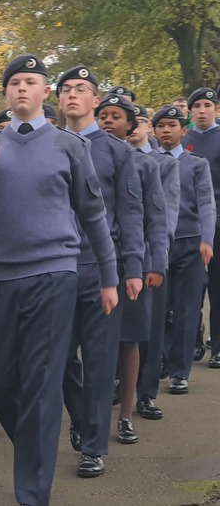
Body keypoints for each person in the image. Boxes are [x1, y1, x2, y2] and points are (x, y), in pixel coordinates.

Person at [0, 55, 118, 506]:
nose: (22, 89)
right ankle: (33, 445)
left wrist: (109, 275)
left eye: (31, 82)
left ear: (46, 93)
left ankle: (33, 492)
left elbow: (92, 214)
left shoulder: (70, 146)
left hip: (55, 273)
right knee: (1, 381)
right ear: (5, 95)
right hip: (0, 278)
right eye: (14, 83)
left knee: (44, 382)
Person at [56, 65, 144, 477]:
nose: (73, 94)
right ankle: (82, 417)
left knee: (99, 357)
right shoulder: (46, 145)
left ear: (95, 101)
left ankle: (93, 445)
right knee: (56, 359)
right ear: (58, 101)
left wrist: (134, 266)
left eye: (82, 89)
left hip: (99, 269)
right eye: (67, 89)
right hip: (52, 268)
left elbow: (130, 212)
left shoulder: (117, 151)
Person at [97, 94, 167, 443]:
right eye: (103, 115)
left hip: (131, 264)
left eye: (116, 116)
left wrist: (156, 263)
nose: (108, 121)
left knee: (129, 340)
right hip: (93, 262)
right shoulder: (85, 157)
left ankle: (126, 413)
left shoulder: (146, 165)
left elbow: (155, 218)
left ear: (131, 125)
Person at [154, 105, 215, 395]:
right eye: (161, 125)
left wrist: (207, 239)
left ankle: (180, 371)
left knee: (187, 309)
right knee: (158, 309)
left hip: (190, 243)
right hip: (157, 246)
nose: (166, 130)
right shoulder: (146, 162)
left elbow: (206, 203)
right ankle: (162, 358)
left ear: (183, 130)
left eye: (172, 125)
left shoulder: (196, 164)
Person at [129, 104, 180, 420]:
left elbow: (168, 212)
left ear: (148, 126)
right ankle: (117, 385)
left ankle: (145, 394)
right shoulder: (110, 158)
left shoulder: (162, 164)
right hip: (120, 257)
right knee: (120, 331)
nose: (133, 126)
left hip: (150, 255)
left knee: (150, 328)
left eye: (140, 120)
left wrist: (159, 254)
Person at [182, 87, 220, 368]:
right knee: (191, 287)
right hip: (189, 224)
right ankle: (192, 340)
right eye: (197, 106)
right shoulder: (184, 139)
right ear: (190, 111)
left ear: (216, 109)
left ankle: (218, 345)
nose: (202, 110)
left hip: (218, 220)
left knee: (218, 286)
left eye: (208, 105)